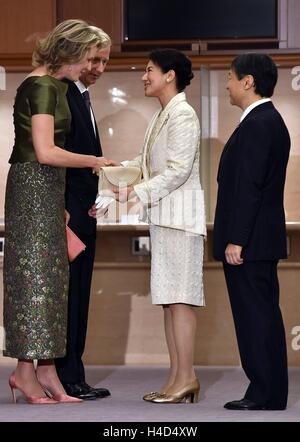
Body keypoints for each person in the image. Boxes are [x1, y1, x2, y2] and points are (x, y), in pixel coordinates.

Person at [3, 19, 113, 404]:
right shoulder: (44, 85)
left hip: (45, 187)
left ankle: (43, 372)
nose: (90, 68)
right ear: (69, 52)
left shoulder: (45, 84)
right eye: (88, 58)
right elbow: (46, 151)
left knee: (50, 284)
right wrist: (95, 161)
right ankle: (25, 374)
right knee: (36, 285)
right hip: (35, 187)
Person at [114, 49, 206, 404]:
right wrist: (113, 171)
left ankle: (187, 377)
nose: (143, 76)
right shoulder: (163, 115)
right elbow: (145, 161)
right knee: (170, 302)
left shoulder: (182, 114)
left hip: (181, 221)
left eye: (149, 70)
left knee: (180, 301)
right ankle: (176, 378)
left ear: (170, 75)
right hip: (166, 219)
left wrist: (135, 190)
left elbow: (178, 170)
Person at [213, 53, 290, 411]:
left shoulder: (260, 123)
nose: (226, 84)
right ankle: (269, 391)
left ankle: (263, 392)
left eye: (230, 77)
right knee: (262, 315)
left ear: (248, 81)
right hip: (258, 239)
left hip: (251, 241)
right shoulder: (264, 120)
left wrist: (236, 238)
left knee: (256, 317)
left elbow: (249, 186)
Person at [54, 32, 111, 400]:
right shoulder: (58, 92)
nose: (99, 68)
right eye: (93, 59)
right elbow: (51, 153)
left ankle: (75, 374)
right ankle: (64, 376)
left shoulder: (81, 95)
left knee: (80, 295)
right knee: (68, 297)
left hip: (84, 210)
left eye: (104, 61)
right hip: (66, 212)